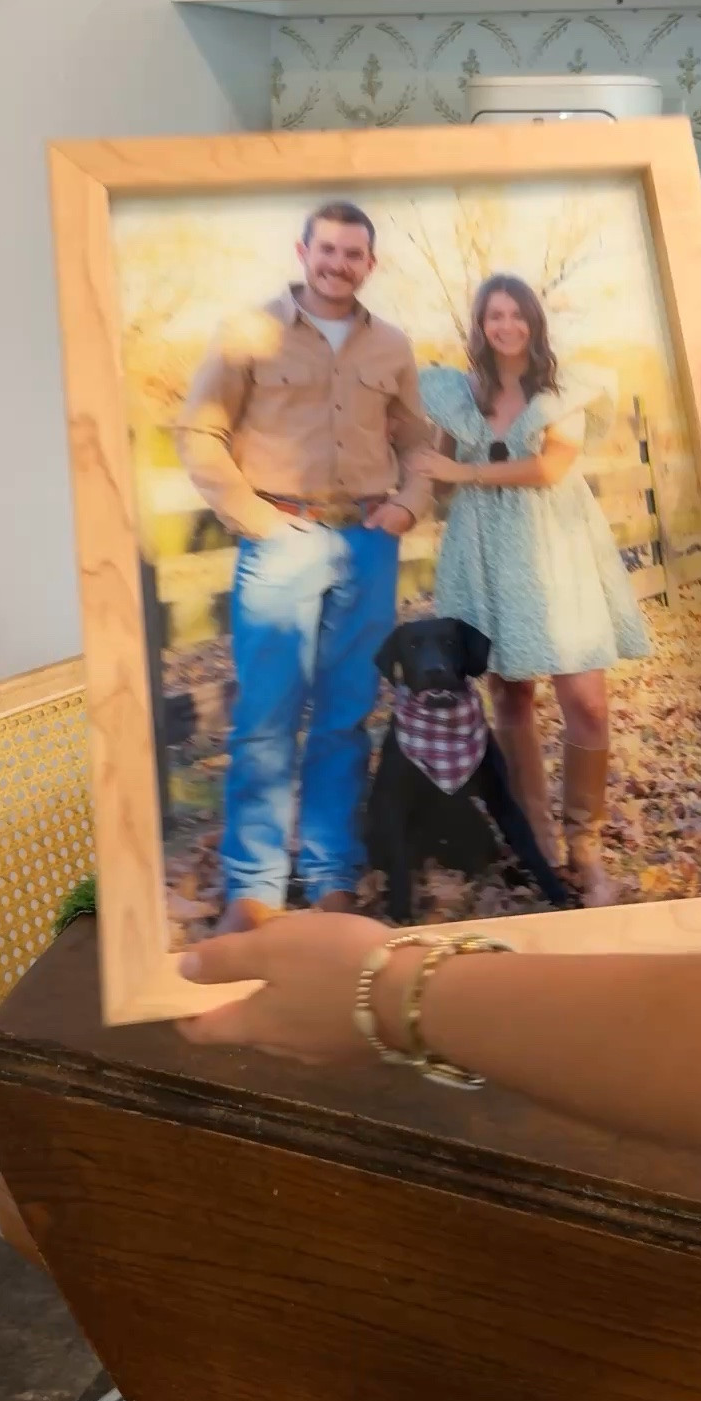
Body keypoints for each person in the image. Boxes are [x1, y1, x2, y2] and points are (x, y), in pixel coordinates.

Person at [176, 337, 701, 1185]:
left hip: (538, 552)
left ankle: (565, 847)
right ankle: (524, 847)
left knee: (559, 712)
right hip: (457, 552)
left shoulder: (547, 393)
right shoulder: (435, 385)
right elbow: (409, 417)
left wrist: (388, 994)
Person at [178, 201, 432, 932]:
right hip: (281, 539)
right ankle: (253, 887)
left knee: (346, 716)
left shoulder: (393, 345)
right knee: (266, 717)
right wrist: (257, 520)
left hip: (368, 544)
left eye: (353, 254)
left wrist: (408, 506)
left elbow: (418, 441)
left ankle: (330, 876)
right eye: (327, 250)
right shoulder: (250, 331)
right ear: (303, 251)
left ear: (370, 264)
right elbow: (199, 432)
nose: (338, 264)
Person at [415, 275, 649, 907]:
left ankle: (585, 850)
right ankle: (539, 844)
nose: (507, 325)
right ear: (480, 326)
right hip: (484, 550)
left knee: (587, 701)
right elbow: (440, 477)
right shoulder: (458, 393)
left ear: (534, 322)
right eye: (494, 315)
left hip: (555, 547)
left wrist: (464, 470)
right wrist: (419, 470)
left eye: (517, 314)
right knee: (510, 694)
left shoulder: (559, 387)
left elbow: (550, 467)